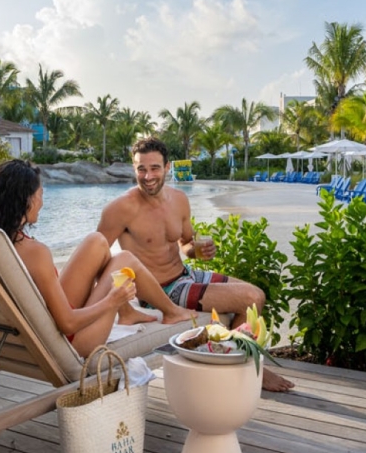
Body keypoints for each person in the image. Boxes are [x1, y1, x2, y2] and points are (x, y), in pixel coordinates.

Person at [97, 136, 294, 392]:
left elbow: (186, 245)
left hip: (185, 274)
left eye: (155, 168)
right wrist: (122, 307)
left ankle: (233, 361)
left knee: (256, 296)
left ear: (168, 167)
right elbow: (98, 257)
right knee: (249, 296)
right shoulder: (120, 208)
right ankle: (248, 368)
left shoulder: (179, 200)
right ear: (133, 168)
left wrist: (199, 252)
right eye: (141, 169)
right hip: (160, 290)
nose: (148, 176)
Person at [0, 159, 193, 357]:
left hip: (26, 334)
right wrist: (112, 301)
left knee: (96, 241)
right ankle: (171, 311)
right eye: (40, 196)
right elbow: (67, 324)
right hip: (69, 342)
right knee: (124, 259)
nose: (42, 203)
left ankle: (128, 312)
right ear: (25, 200)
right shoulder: (34, 252)